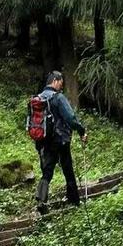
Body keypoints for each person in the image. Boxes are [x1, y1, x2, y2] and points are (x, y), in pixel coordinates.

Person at [34, 70, 87, 213]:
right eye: (61, 83)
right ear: (55, 81)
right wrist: (81, 130)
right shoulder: (58, 98)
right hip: (60, 139)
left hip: (44, 141)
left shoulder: (38, 99)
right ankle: (74, 200)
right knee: (67, 168)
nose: (61, 86)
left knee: (47, 171)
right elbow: (70, 118)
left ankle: (41, 200)